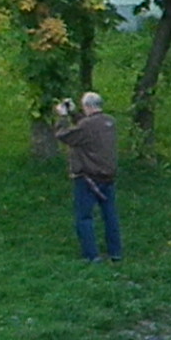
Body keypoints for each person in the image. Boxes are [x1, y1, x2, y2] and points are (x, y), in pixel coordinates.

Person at [55, 90, 122, 262]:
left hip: (88, 178)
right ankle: (115, 252)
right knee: (110, 216)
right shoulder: (110, 122)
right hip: (108, 177)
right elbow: (87, 127)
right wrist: (74, 113)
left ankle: (91, 255)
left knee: (84, 217)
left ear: (87, 106)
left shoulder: (87, 126)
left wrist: (63, 116)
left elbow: (65, 135)